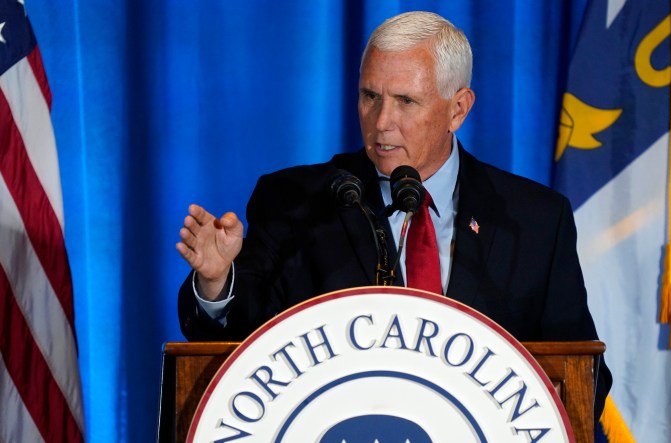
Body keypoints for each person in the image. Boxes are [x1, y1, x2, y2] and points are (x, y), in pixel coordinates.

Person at [176, 11, 610, 418]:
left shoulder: (533, 219)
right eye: (370, 97)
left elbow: (582, 376)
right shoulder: (295, 201)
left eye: (406, 101)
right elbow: (244, 345)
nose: (382, 121)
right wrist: (217, 282)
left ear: (457, 109)